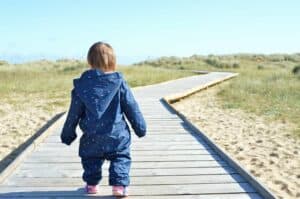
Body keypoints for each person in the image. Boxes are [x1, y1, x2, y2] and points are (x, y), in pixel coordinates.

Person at [60, 42, 146, 197]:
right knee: (120, 157)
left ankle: (92, 185)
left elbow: (74, 113)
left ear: (89, 61)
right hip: (116, 135)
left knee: (91, 158)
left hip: (92, 136)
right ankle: (119, 186)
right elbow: (131, 106)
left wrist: (68, 134)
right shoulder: (119, 83)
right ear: (113, 61)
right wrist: (140, 127)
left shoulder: (82, 86)